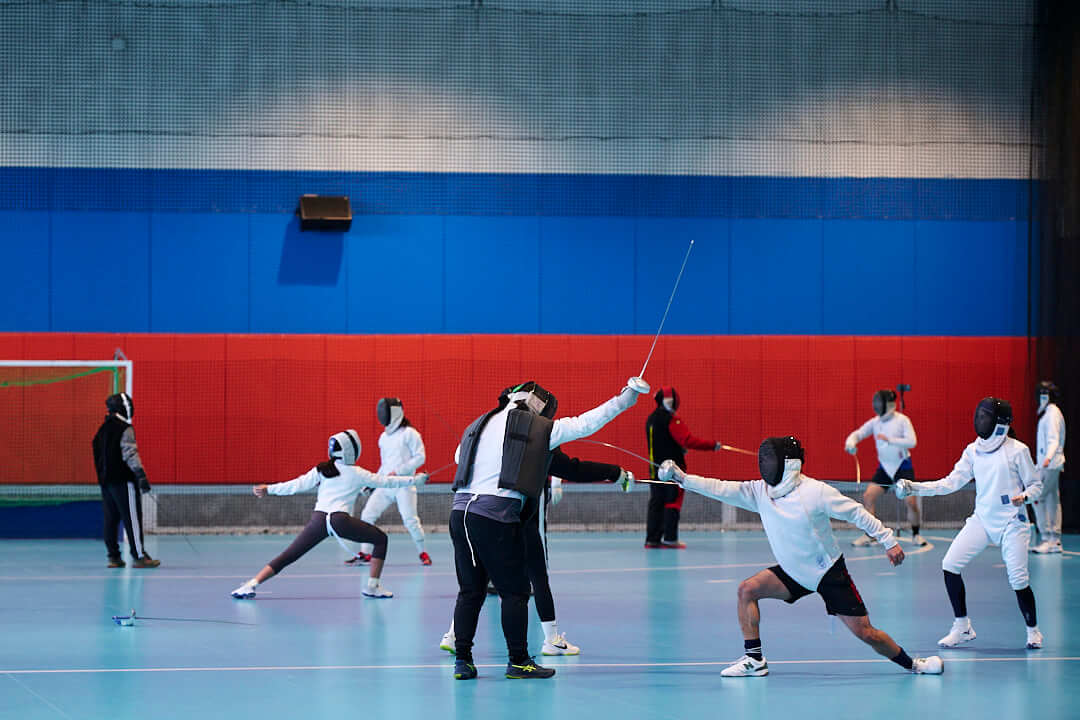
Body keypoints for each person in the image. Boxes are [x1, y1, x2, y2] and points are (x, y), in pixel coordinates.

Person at [658, 436, 943, 677]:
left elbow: (856, 512)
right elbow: (719, 487)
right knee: (747, 590)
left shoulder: (815, 492)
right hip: (792, 572)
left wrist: (888, 540)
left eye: (771, 460)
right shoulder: (759, 491)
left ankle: (915, 665)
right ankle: (755, 661)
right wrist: (682, 478)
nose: (765, 465)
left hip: (827, 573)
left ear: (789, 464)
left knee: (866, 633)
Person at [448, 378, 647, 681]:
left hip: (460, 514)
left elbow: (458, 457)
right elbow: (586, 423)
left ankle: (463, 661)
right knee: (515, 592)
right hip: (495, 517)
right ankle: (519, 661)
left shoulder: (481, 422)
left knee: (470, 591)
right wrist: (625, 399)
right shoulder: (538, 428)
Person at [439, 448, 634, 657]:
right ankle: (551, 640)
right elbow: (571, 468)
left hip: (482, 514)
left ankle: (453, 635)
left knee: (477, 582)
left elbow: (460, 455)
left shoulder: (489, 438)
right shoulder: (536, 436)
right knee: (538, 576)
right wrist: (616, 473)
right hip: (520, 516)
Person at [895, 397, 1044, 649]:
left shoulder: (1018, 450)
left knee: (1018, 579)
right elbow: (949, 483)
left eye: (986, 417)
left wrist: (1026, 496)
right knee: (950, 564)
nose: (980, 420)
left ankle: (1033, 631)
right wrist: (914, 487)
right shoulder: (973, 451)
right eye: (980, 415)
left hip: (1012, 521)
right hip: (982, 519)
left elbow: (1036, 484)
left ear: (1000, 424)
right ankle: (962, 627)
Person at [230, 430, 426, 600]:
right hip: (340, 521)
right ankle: (372, 587)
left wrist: (269, 489)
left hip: (319, 521)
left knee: (289, 555)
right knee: (381, 539)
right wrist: (415, 480)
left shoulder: (323, 469)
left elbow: (296, 485)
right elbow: (387, 481)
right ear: (352, 450)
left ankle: (251, 584)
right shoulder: (357, 472)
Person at [347, 398, 431, 566]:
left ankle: (422, 552)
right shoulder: (383, 437)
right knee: (367, 514)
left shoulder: (410, 433)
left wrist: (399, 471)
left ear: (394, 412)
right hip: (385, 485)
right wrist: (372, 484)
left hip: (404, 485)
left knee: (410, 520)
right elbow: (384, 465)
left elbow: (420, 457)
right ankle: (365, 553)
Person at [844, 388, 925, 546]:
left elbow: (912, 442)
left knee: (911, 502)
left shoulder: (903, 420)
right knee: (868, 496)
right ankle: (870, 534)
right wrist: (850, 443)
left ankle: (916, 534)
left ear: (888, 404)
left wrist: (889, 439)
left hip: (902, 466)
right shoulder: (875, 422)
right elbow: (858, 433)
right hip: (885, 468)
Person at [645, 386, 722, 549]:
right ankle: (670, 538)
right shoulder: (671, 420)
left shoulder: (650, 419)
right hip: (673, 470)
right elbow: (687, 440)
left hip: (655, 471)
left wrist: (678, 448)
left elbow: (663, 442)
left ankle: (652, 539)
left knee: (656, 503)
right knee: (673, 501)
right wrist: (712, 445)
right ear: (670, 401)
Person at [92, 393, 160, 569]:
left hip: (106, 483)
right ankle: (139, 556)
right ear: (123, 408)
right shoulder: (124, 428)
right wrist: (141, 475)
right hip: (123, 481)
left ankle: (113, 557)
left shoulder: (102, 429)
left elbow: (96, 453)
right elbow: (130, 454)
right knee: (132, 518)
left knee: (111, 518)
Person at [1032, 381, 1066, 554]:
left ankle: (1046, 538)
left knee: (1037, 498)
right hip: (1053, 464)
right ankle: (1055, 540)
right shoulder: (1051, 413)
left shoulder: (1052, 414)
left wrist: (1047, 459)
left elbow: (1053, 439)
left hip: (1050, 464)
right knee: (1053, 499)